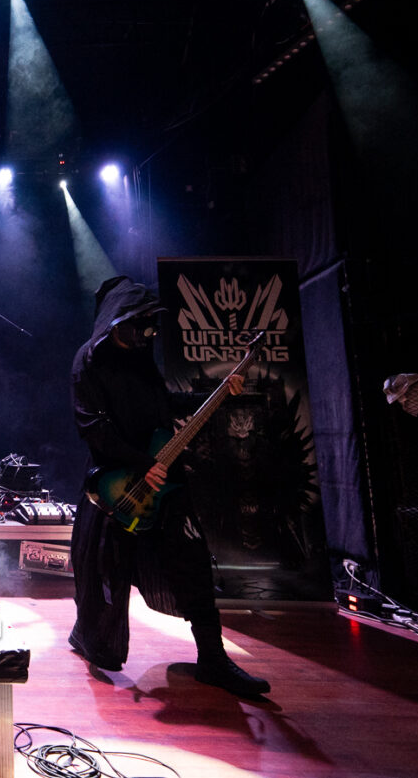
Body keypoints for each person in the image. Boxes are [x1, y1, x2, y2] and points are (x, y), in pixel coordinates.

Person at [68, 276, 269, 698]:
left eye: (150, 326)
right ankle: (91, 640)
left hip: (165, 480)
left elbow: (165, 403)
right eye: (139, 325)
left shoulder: (141, 357)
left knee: (191, 562)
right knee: (104, 572)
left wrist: (218, 393)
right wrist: (141, 464)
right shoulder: (89, 360)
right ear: (117, 322)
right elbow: (93, 429)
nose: (147, 334)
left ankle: (213, 658)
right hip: (117, 482)